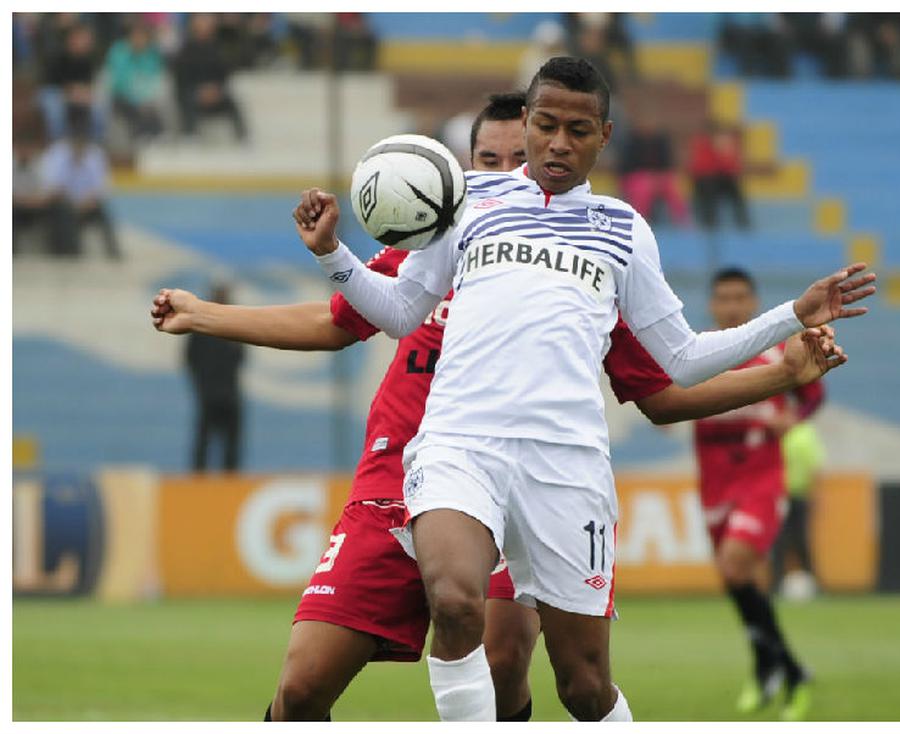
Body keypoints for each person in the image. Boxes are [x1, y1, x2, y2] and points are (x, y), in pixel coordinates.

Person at [151, 90, 848, 722]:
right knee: (301, 690)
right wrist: (208, 312)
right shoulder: (443, 231)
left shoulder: (593, 257)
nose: (520, 164)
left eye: (531, 147)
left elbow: (665, 388)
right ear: (462, 169)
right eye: (493, 157)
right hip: (406, 477)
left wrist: (781, 370)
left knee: (527, 667)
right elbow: (344, 319)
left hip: (525, 477)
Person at [693, 267, 824, 721]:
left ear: (753, 302)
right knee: (738, 581)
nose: (731, 306)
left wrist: (797, 418)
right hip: (713, 481)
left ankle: (779, 668)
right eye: (723, 298)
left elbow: (813, 388)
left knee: (735, 563)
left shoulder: (773, 350)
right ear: (712, 304)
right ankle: (777, 667)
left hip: (761, 477)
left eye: (739, 297)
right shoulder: (697, 353)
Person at [36, 104, 121, 258]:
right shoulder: (56, 153)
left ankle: (114, 252)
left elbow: (104, 186)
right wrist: (71, 202)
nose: (79, 146)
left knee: (103, 211)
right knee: (61, 210)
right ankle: (72, 253)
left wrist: (88, 200)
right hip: (63, 203)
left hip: (88, 203)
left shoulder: (96, 154)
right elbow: (51, 185)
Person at [185, 283, 246, 471]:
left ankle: (228, 482)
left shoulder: (234, 325)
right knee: (206, 441)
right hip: (212, 393)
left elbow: (240, 357)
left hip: (227, 393)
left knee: (229, 443)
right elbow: (191, 358)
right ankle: (200, 482)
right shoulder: (202, 327)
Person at [771, 419, 826, 599]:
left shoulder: (805, 433)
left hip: (799, 495)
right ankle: (776, 584)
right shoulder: (776, 431)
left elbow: (814, 466)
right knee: (779, 541)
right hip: (778, 497)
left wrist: (816, 493)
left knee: (801, 540)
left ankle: (812, 582)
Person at [174, 13, 247, 141]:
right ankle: (190, 134)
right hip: (192, 92)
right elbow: (182, 77)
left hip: (214, 92)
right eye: (202, 22)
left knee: (231, 101)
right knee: (187, 99)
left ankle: (242, 135)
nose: (206, 26)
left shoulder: (217, 48)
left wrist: (215, 90)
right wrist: (200, 91)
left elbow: (223, 74)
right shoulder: (186, 49)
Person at [106, 21, 166, 141]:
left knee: (154, 106)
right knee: (128, 105)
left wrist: (147, 98)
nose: (138, 40)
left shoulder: (152, 55)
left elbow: (155, 80)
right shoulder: (119, 52)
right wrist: (137, 100)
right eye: (136, 36)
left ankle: (157, 135)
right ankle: (140, 135)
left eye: (142, 37)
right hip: (122, 96)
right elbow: (118, 82)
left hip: (146, 98)